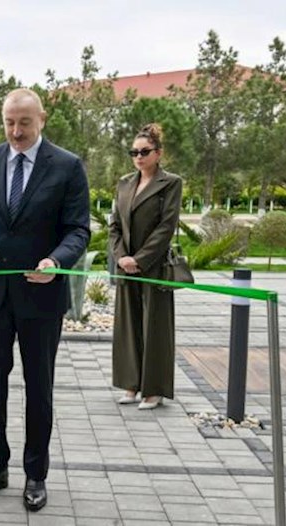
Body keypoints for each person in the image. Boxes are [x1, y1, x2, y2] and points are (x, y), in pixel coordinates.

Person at [0, 88, 91, 512]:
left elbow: (78, 230)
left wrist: (56, 260)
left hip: (41, 298)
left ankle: (36, 474)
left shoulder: (67, 166)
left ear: (42, 119)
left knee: (39, 388)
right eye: (9, 122)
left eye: (24, 123)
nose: (16, 131)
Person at [109, 123, 183, 410]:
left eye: (144, 151)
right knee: (127, 326)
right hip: (125, 264)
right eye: (134, 152)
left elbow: (166, 227)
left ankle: (154, 390)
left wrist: (139, 259)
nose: (138, 156)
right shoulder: (125, 183)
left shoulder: (171, 183)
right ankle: (130, 384)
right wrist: (121, 257)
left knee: (155, 328)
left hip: (153, 267)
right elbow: (115, 225)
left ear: (158, 153)